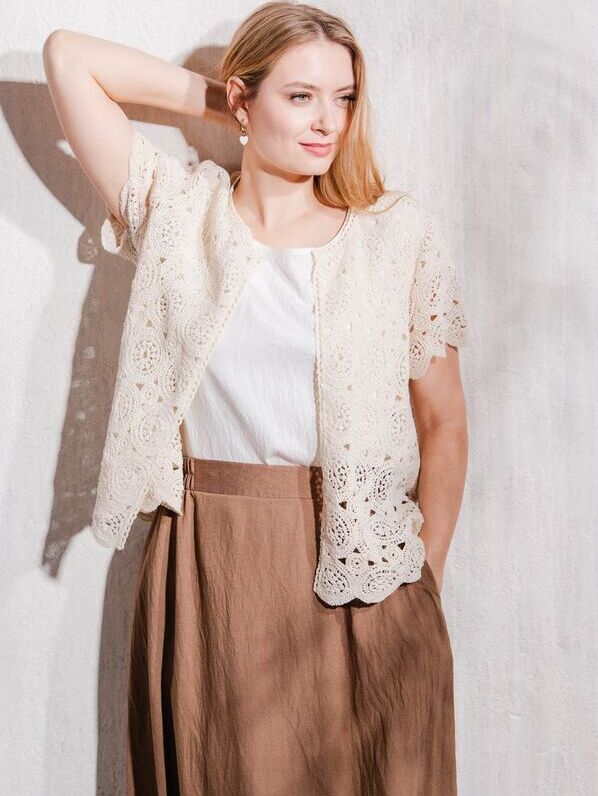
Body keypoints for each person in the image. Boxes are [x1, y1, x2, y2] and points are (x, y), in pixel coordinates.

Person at [44, 2, 469, 793]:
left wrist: (426, 577)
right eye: (300, 96)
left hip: (370, 567)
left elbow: (443, 422)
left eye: (343, 98)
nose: (328, 122)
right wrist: (228, 106)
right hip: (218, 568)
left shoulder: (395, 236)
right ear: (244, 97)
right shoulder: (180, 216)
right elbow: (68, 57)